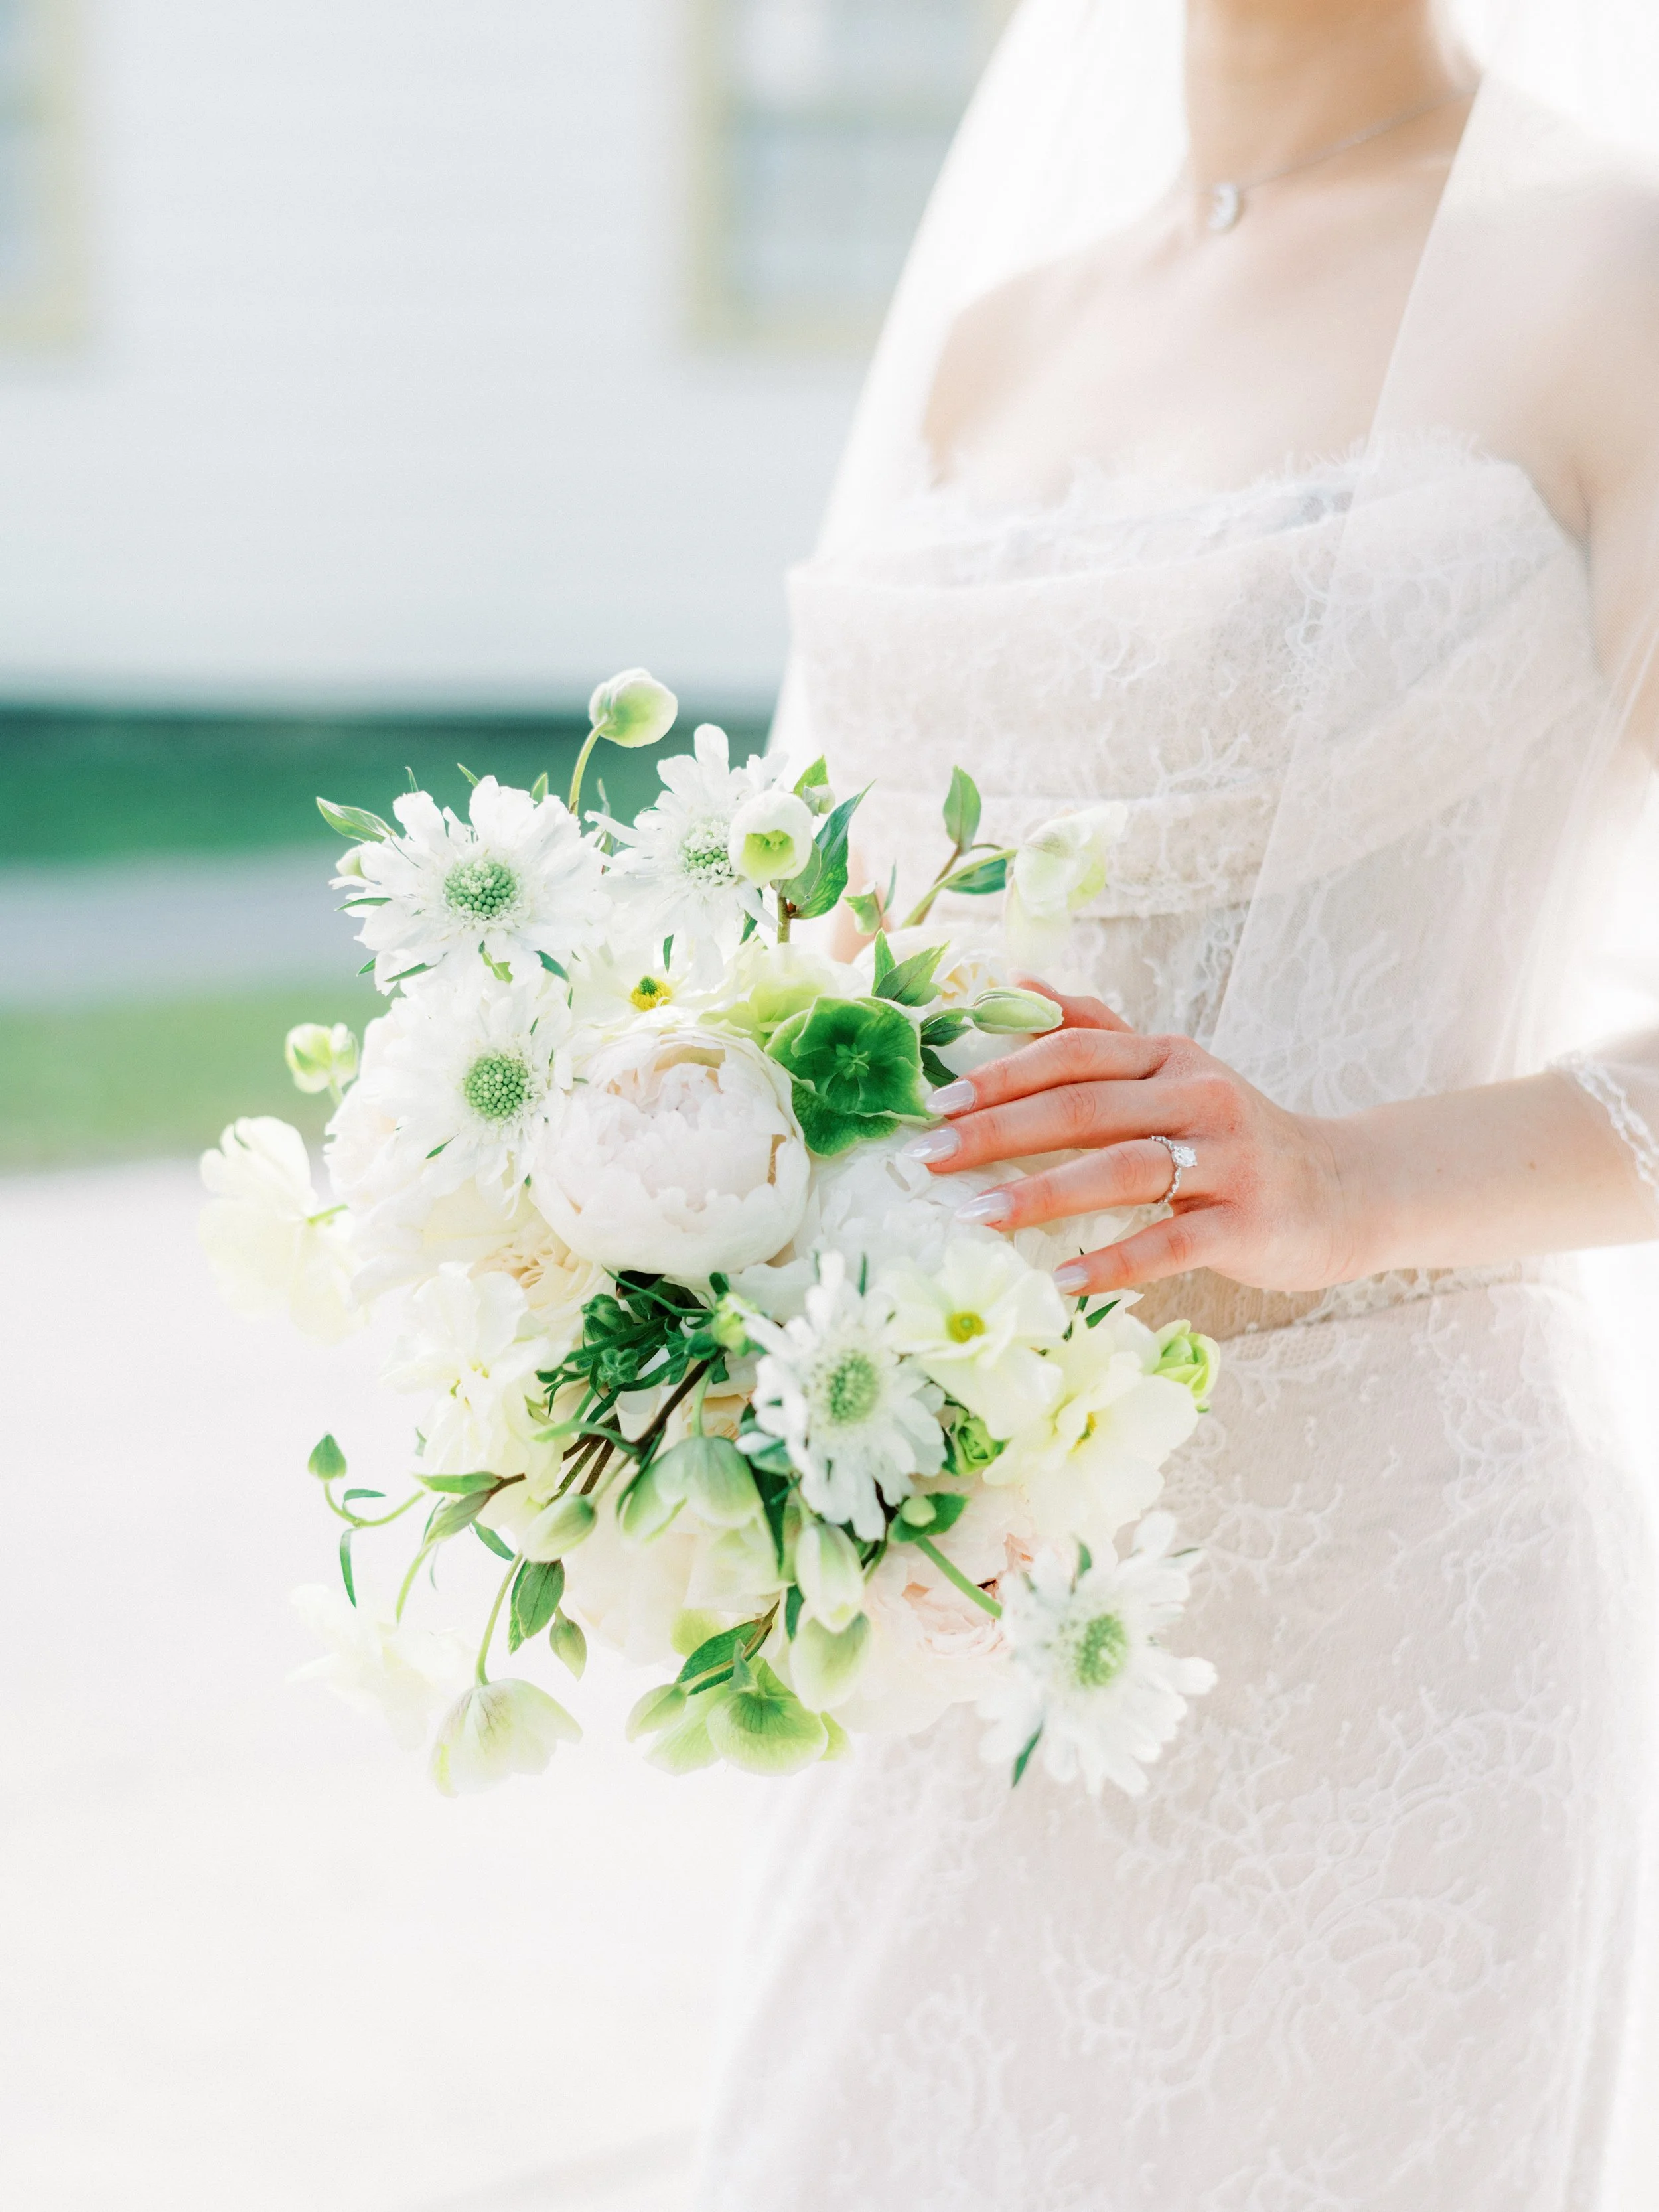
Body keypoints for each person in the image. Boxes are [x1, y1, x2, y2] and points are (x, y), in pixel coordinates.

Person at [691, 2, 1659, 2204]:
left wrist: (1335, 1176)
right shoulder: (994, 337)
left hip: (1399, 1608)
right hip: (955, 1593)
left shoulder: (1614, 276)